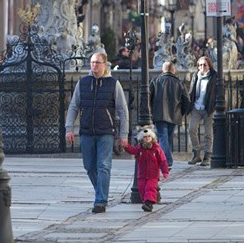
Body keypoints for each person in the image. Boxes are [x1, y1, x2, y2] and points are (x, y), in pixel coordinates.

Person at [65, 52, 130, 214]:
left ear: (105, 64)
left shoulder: (113, 84)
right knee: (89, 166)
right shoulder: (83, 83)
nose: (94, 65)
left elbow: (123, 110)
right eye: (92, 62)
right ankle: (100, 191)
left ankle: (100, 200)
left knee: (103, 166)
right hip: (86, 131)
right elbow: (73, 106)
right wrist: (69, 128)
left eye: (97, 63)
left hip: (105, 132)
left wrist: (124, 134)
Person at [149, 60, 191, 168]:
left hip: (159, 114)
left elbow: (149, 98)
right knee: (167, 138)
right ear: (173, 70)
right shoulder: (179, 83)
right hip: (174, 115)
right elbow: (186, 100)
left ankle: (166, 160)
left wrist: (151, 111)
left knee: (163, 137)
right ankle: (164, 159)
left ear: (163, 70)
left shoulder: (156, 81)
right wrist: (181, 112)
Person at [121, 127, 169, 212]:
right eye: (145, 137)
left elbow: (163, 160)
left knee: (150, 188)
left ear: (152, 138)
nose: (147, 139)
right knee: (142, 188)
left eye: (148, 137)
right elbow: (132, 150)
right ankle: (146, 201)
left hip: (153, 175)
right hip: (142, 174)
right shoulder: (139, 148)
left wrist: (165, 171)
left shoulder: (157, 149)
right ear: (142, 139)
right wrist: (126, 146)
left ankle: (148, 203)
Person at [187, 56, 217, 166]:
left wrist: (214, 105)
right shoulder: (196, 76)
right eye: (200, 65)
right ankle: (196, 153)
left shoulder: (214, 76)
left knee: (208, 133)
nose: (202, 67)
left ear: (209, 66)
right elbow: (192, 91)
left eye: (204, 65)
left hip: (208, 108)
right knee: (191, 129)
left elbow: (217, 91)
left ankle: (207, 156)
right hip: (196, 107)